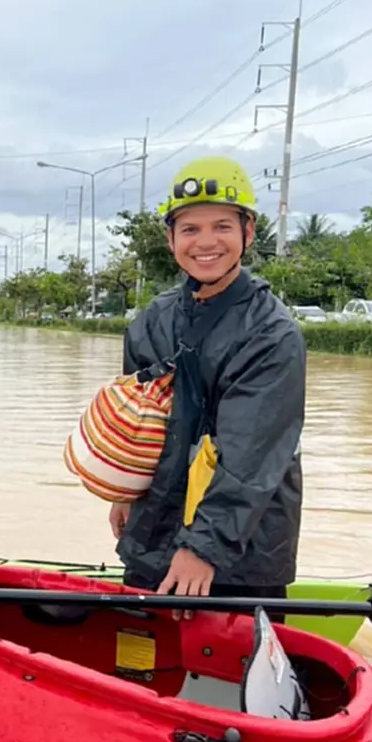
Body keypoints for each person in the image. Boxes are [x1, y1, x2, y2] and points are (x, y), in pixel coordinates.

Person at [108, 156, 306, 608]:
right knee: (140, 661)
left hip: (242, 548)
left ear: (248, 233)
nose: (206, 243)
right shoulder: (152, 321)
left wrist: (203, 548)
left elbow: (251, 457)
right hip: (153, 528)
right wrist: (124, 492)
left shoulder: (272, 333)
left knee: (236, 669)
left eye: (222, 226)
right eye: (190, 229)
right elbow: (138, 422)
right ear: (171, 238)